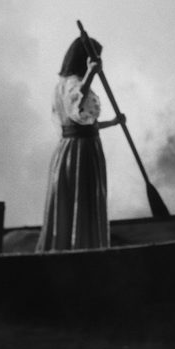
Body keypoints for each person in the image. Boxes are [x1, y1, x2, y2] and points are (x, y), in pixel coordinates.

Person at [36, 35, 125, 252]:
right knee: (82, 199)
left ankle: (76, 244)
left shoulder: (63, 84)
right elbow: (76, 107)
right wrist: (91, 73)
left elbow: (82, 123)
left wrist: (112, 123)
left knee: (76, 198)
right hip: (80, 152)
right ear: (85, 59)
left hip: (73, 147)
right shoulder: (73, 83)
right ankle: (82, 248)